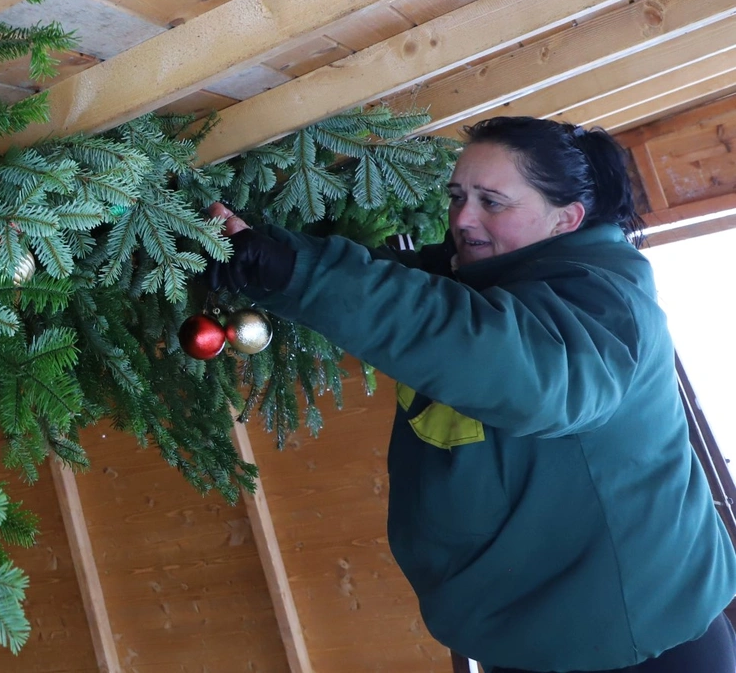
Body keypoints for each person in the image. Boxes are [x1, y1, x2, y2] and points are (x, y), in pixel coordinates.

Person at [206, 116, 736, 673]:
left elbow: (511, 366)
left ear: (566, 218)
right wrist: (262, 257)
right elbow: (382, 283)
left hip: (639, 644)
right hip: (527, 640)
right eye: (457, 195)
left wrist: (295, 274)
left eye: (492, 201)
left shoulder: (604, 302)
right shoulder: (475, 278)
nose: (462, 218)